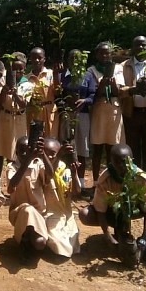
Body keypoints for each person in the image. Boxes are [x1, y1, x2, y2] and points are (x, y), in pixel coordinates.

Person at [79, 144, 146, 264]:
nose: (121, 166)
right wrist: (107, 236)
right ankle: (121, 235)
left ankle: (143, 243)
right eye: (117, 162)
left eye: (124, 162)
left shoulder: (140, 178)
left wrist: (145, 236)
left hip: (135, 209)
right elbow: (100, 211)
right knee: (85, 214)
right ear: (110, 162)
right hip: (113, 211)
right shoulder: (105, 179)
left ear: (131, 161)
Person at [8, 136, 81, 262]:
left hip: (40, 215)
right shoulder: (12, 167)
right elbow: (11, 186)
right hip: (21, 213)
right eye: (22, 150)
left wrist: (42, 155)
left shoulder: (39, 165)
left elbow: (50, 173)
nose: (26, 153)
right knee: (28, 210)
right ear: (16, 152)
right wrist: (29, 159)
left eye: (29, 150)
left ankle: (33, 242)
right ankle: (24, 244)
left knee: (41, 243)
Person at [118, 36, 146, 181]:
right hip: (132, 114)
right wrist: (131, 90)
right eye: (137, 45)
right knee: (133, 149)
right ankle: (136, 180)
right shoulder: (123, 66)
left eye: (144, 45)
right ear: (133, 47)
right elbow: (118, 90)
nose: (141, 48)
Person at [88, 42, 125, 184]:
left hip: (114, 109)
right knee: (97, 147)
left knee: (112, 147)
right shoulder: (92, 71)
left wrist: (112, 82)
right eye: (101, 53)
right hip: (99, 109)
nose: (105, 56)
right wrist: (103, 82)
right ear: (97, 55)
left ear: (111, 54)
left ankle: (111, 180)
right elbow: (95, 93)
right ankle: (97, 181)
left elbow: (118, 92)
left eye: (107, 53)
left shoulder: (118, 68)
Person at [0, 53, 32, 174]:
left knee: (16, 148)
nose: (18, 72)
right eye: (15, 69)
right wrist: (4, 91)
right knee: (0, 149)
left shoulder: (28, 84)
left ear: (24, 69)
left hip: (19, 118)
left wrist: (15, 93)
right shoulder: (4, 80)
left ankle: (13, 177)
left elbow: (23, 104)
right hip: (5, 116)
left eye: (20, 69)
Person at [59, 49, 92, 190]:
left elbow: (93, 95)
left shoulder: (87, 76)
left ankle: (81, 183)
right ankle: (64, 182)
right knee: (66, 146)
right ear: (68, 60)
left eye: (78, 58)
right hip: (66, 115)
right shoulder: (61, 76)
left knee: (81, 148)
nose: (74, 60)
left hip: (82, 115)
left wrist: (84, 101)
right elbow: (57, 95)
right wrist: (64, 104)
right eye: (72, 57)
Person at [26, 47, 58, 137]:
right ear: (30, 59)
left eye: (39, 58)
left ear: (44, 59)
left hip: (49, 112)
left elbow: (57, 93)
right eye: (34, 58)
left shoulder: (51, 74)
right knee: (34, 141)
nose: (37, 60)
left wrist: (56, 76)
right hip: (33, 113)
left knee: (50, 140)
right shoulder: (27, 78)